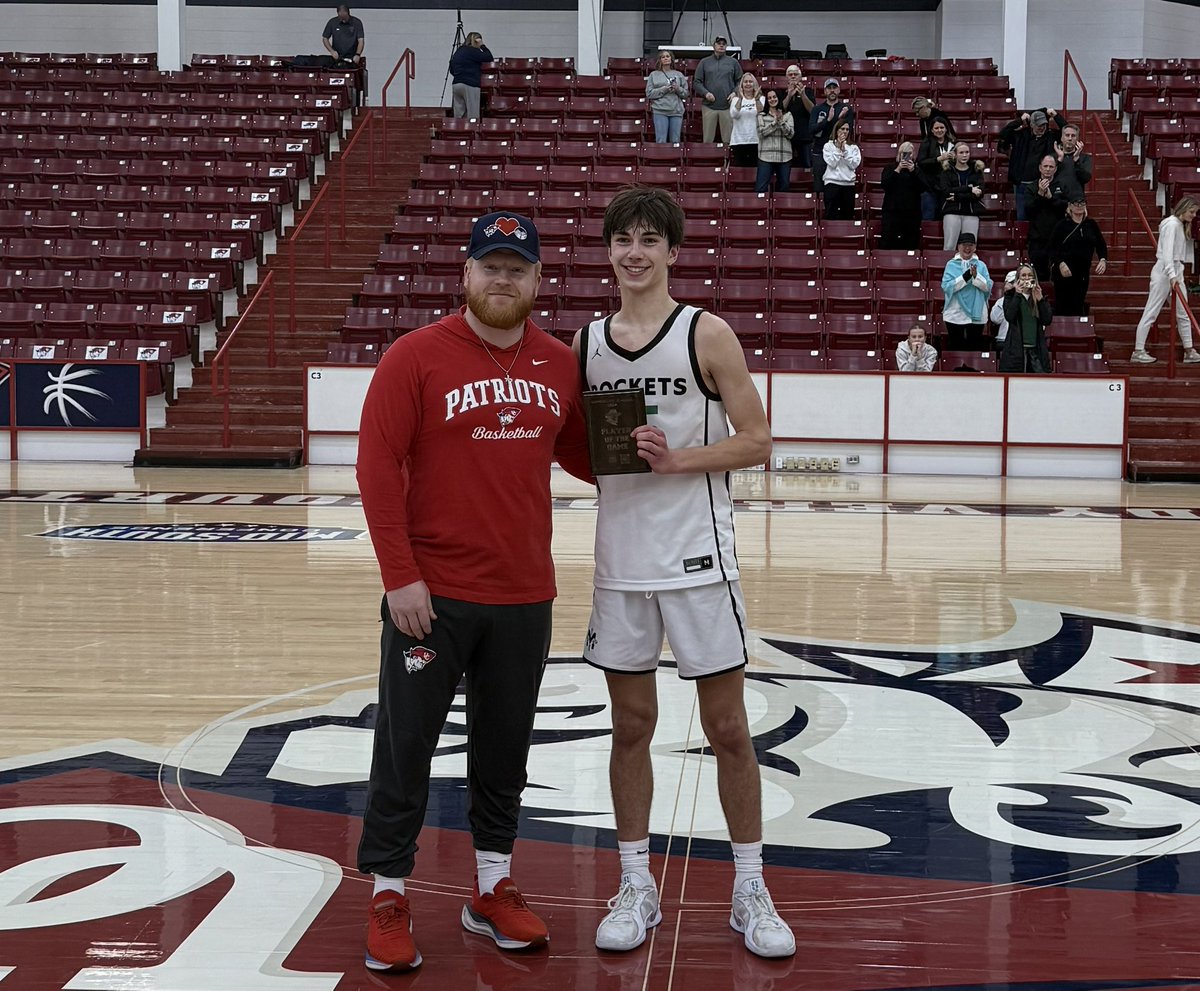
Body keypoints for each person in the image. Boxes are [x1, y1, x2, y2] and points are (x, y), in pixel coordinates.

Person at [355, 211, 594, 972]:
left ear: (537, 281)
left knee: (505, 749)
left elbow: (589, 457)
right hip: (433, 595)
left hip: (525, 593)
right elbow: (375, 468)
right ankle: (389, 893)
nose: (502, 279)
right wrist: (400, 575)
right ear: (465, 275)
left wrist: (656, 448)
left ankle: (493, 885)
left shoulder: (558, 363)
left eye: (516, 267)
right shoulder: (414, 356)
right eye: (489, 266)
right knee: (406, 747)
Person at [574, 185, 795, 961]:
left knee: (728, 729)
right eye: (621, 239)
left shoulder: (707, 333)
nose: (634, 252)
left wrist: (680, 460)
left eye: (648, 239)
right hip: (621, 565)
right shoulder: (588, 342)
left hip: (701, 562)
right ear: (609, 251)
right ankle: (637, 883)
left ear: (671, 251)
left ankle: (749, 886)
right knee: (630, 726)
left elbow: (760, 439)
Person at [1131, 195, 1200, 364]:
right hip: (1165, 272)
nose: (1194, 215)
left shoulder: (1178, 225)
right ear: (1184, 208)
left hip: (1175, 271)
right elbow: (1167, 253)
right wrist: (1171, 275)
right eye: (1192, 212)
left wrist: (1175, 274)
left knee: (1183, 314)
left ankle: (1189, 350)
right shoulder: (1171, 224)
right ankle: (1138, 350)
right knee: (1152, 311)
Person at [998, 106, 1066, 221]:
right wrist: (1020, 120)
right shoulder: (1020, 135)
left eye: (1044, 124)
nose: (1042, 128)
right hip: (1022, 183)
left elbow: (1066, 130)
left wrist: (1055, 115)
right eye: (1039, 125)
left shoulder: (1051, 136)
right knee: (1023, 216)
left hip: (1044, 183)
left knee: (1043, 217)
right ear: (1031, 125)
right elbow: (1003, 133)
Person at [1048, 194, 1108, 316]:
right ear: (1070, 206)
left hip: (1082, 273)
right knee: (1063, 305)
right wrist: (1060, 263)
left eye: (1082, 203)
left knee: (1078, 303)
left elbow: (1101, 244)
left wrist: (1103, 259)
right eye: (1076, 203)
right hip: (1064, 271)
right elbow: (1052, 248)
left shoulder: (1091, 224)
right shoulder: (1062, 225)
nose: (1079, 206)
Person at [940, 231, 993, 351]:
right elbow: (947, 286)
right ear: (958, 247)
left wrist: (975, 276)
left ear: (975, 247)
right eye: (964, 245)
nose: (967, 248)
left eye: (970, 245)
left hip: (977, 312)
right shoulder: (951, 265)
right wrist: (965, 277)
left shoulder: (981, 265)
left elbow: (987, 287)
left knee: (974, 347)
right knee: (955, 347)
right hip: (955, 313)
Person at [999, 263, 1053, 373]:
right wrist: (1018, 294)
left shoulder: (1040, 297)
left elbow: (1047, 320)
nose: (1026, 278)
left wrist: (1041, 300)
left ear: (1034, 278)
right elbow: (1010, 316)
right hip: (1016, 351)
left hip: (1036, 351)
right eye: (1023, 276)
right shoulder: (1010, 296)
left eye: (1029, 275)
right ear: (1018, 278)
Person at [1025, 153, 1068, 281]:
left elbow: (1066, 208)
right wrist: (1039, 195)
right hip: (1037, 239)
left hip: (1058, 238)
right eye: (1045, 166)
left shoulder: (1063, 186)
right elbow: (1028, 210)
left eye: (1051, 166)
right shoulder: (1031, 187)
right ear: (1040, 168)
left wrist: (1050, 198)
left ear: (1055, 169)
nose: (1048, 169)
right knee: (1040, 276)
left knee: (1060, 276)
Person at [809, 78, 855, 194]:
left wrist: (840, 119)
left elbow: (847, 132)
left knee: (837, 187)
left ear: (839, 90)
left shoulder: (846, 109)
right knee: (819, 186)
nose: (832, 91)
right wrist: (828, 120)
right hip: (820, 152)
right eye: (829, 88)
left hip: (839, 152)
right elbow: (812, 130)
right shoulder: (817, 109)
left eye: (834, 88)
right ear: (825, 91)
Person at [938, 141, 986, 251]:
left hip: (971, 212)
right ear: (955, 154)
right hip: (952, 212)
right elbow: (946, 191)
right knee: (949, 246)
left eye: (967, 152)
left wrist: (957, 197)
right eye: (961, 152)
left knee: (969, 247)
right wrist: (969, 189)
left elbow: (979, 193)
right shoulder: (947, 171)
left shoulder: (976, 171)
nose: (965, 155)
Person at [693, 38, 743, 145]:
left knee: (728, 140)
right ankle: (706, 160)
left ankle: (727, 161)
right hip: (708, 106)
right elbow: (696, 82)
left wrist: (735, 92)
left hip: (728, 106)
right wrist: (706, 93)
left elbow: (740, 81)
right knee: (707, 140)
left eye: (723, 44)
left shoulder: (733, 62)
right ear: (713, 46)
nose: (721, 46)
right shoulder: (704, 62)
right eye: (719, 44)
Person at [879, 142, 924, 249]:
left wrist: (913, 171)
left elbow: (923, 187)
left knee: (910, 241)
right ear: (899, 154)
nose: (907, 156)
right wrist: (898, 169)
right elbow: (885, 185)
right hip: (892, 210)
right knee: (888, 240)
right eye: (904, 153)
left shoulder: (917, 170)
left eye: (909, 153)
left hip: (912, 211)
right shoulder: (890, 168)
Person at [755, 88, 794, 193]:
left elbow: (790, 134)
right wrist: (774, 123)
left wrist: (781, 122)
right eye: (769, 98)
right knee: (761, 188)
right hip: (765, 157)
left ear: (779, 98)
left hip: (784, 157)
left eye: (774, 97)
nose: (772, 100)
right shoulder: (761, 116)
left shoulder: (788, 115)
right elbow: (761, 133)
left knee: (784, 187)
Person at [916, 118, 955, 221]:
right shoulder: (926, 142)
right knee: (928, 215)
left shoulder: (953, 142)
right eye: (936, 128)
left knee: (947, 217)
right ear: (932, 130)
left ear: (946, 129)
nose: (939, 130)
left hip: (947, 186)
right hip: (930, 186)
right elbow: (920, 162)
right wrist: (938, 159)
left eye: (942, 127)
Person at [449, 31, 494, 120]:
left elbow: (452, 69)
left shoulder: (459, 50)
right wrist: (482, 45)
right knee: (472, 114)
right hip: (470, 84)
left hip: (457, 84)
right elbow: (489, 57)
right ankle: (472, 132)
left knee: (459, 114)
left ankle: (459, 131)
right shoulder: (473, 51)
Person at [645, 51, 688, 144]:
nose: (665, 58)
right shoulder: (653, 75)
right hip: (660, 111)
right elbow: (649, 94)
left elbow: (685, 94)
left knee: (675, 141)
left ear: (671, 59)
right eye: (663, 57)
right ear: (660, 60)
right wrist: (664, 89)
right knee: (661, 140)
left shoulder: (679, 75)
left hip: (676, 111)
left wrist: (678, 89)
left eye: (667, 56)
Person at [821, 120, 860, 220]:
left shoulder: (854, 147)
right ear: (836, 130)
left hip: (848, 185)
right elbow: (832, 163)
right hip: (832, 183)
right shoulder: (828, 146)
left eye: (847, 129)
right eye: (842, 129)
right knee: (830, 215)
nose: (845, 131)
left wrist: (845, 151)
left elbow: (854, 165)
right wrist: (838, 149)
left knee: (847, 216)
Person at [781, 64, 816, 168]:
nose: (793, 76)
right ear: (786, 77)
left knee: (807, 167)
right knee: (786, 168)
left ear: (800, 77)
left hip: (804, 137)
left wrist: (803, 94)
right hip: (786, 137)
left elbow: (812, 111)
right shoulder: (782, 93)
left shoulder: (808, 91)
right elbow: (780, 111)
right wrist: (789, 95)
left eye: (795, 74)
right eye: (790, 74)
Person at [728, 72, 763, 168]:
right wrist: (741, 99)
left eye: (750, 82)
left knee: (754, 171)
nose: (748, 84)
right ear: (741, 85)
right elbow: (734, 114)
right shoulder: (735, 100)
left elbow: (762, 113)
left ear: (754, 84)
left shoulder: (761, 99)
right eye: (745, 82)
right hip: (738, 141)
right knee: (739, 173)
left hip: (756, 140)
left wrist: (756, 99)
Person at [1054, 123, 1093, 202]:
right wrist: (1059, 160)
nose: (1070, 138)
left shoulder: (1085, 158)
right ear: (1061, 138)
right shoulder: (1052, 157)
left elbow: (1086, 178)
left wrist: (1076, 160)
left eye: (1073, 136)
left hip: (1076, 202)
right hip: (1055, 200)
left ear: (1077, 139)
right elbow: (1048, 176)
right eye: (1067, 135)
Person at [990, 269, 1019, 345]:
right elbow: (995, 319)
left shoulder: (1027, 300)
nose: (1014, 286)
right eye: (1012, 283)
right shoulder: (1001, 301)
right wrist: (1007, 296)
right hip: (1004, 339)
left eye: (1017, 282)